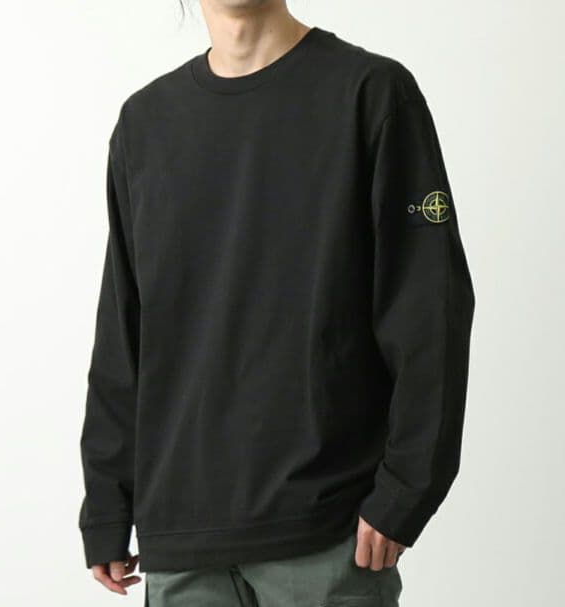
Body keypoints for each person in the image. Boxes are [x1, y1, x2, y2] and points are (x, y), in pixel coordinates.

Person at [77, 1, 475, 605]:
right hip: (182, 539)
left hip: (328, 533)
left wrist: (406, 492)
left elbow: (430, 310)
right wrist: (108, 502)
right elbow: (123, 328)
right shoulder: (145, 123)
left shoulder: (371, 93)